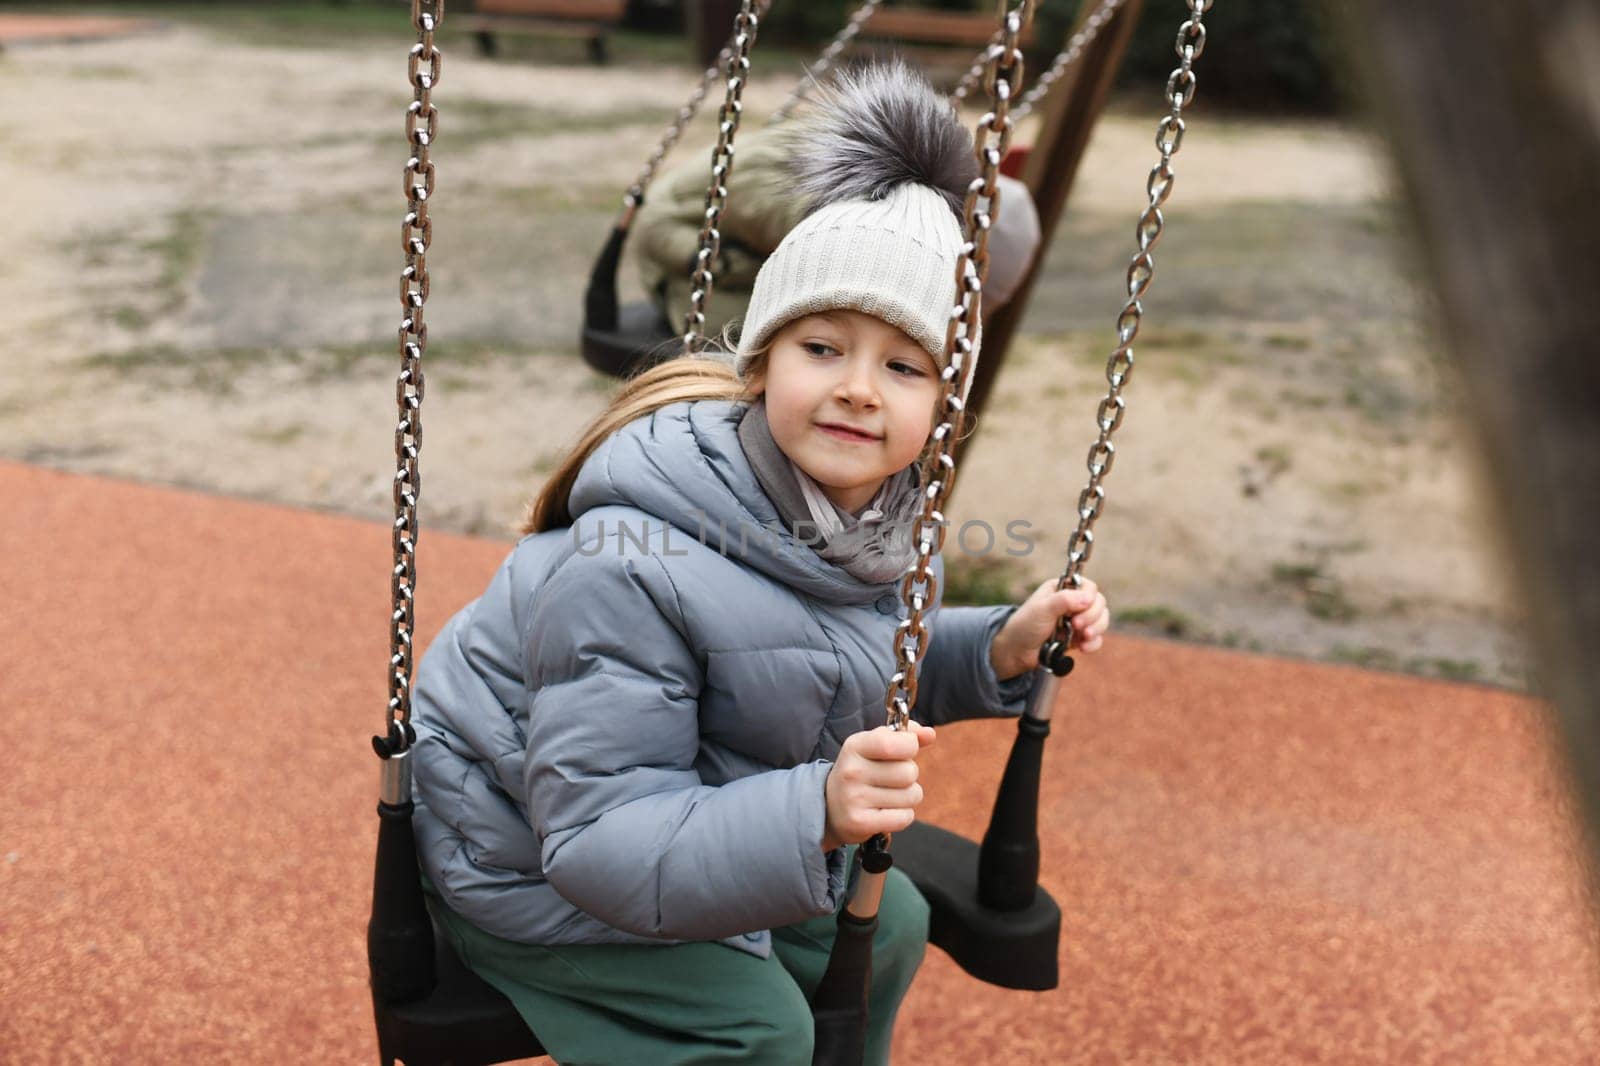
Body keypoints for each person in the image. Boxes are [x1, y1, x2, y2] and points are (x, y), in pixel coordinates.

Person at [410, 61, 1111, 1066]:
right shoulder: (628, 563)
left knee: (894, 921)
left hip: (690, 806)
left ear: (940, 409)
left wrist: (996, 649)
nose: (860, 389)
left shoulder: (871, 521)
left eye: (903, 366)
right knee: (756, 1028)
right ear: (760, 365)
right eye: (823, 347)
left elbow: (823, 656)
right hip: (527, 853)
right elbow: (598, 838)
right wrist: (814, 807)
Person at [632, 81, 1044, 343]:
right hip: (682, 249)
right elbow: (655, 224)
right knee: (765, 348)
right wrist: (718, 265)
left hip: (760, 237)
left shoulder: (915, 199)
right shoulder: (810, 213)